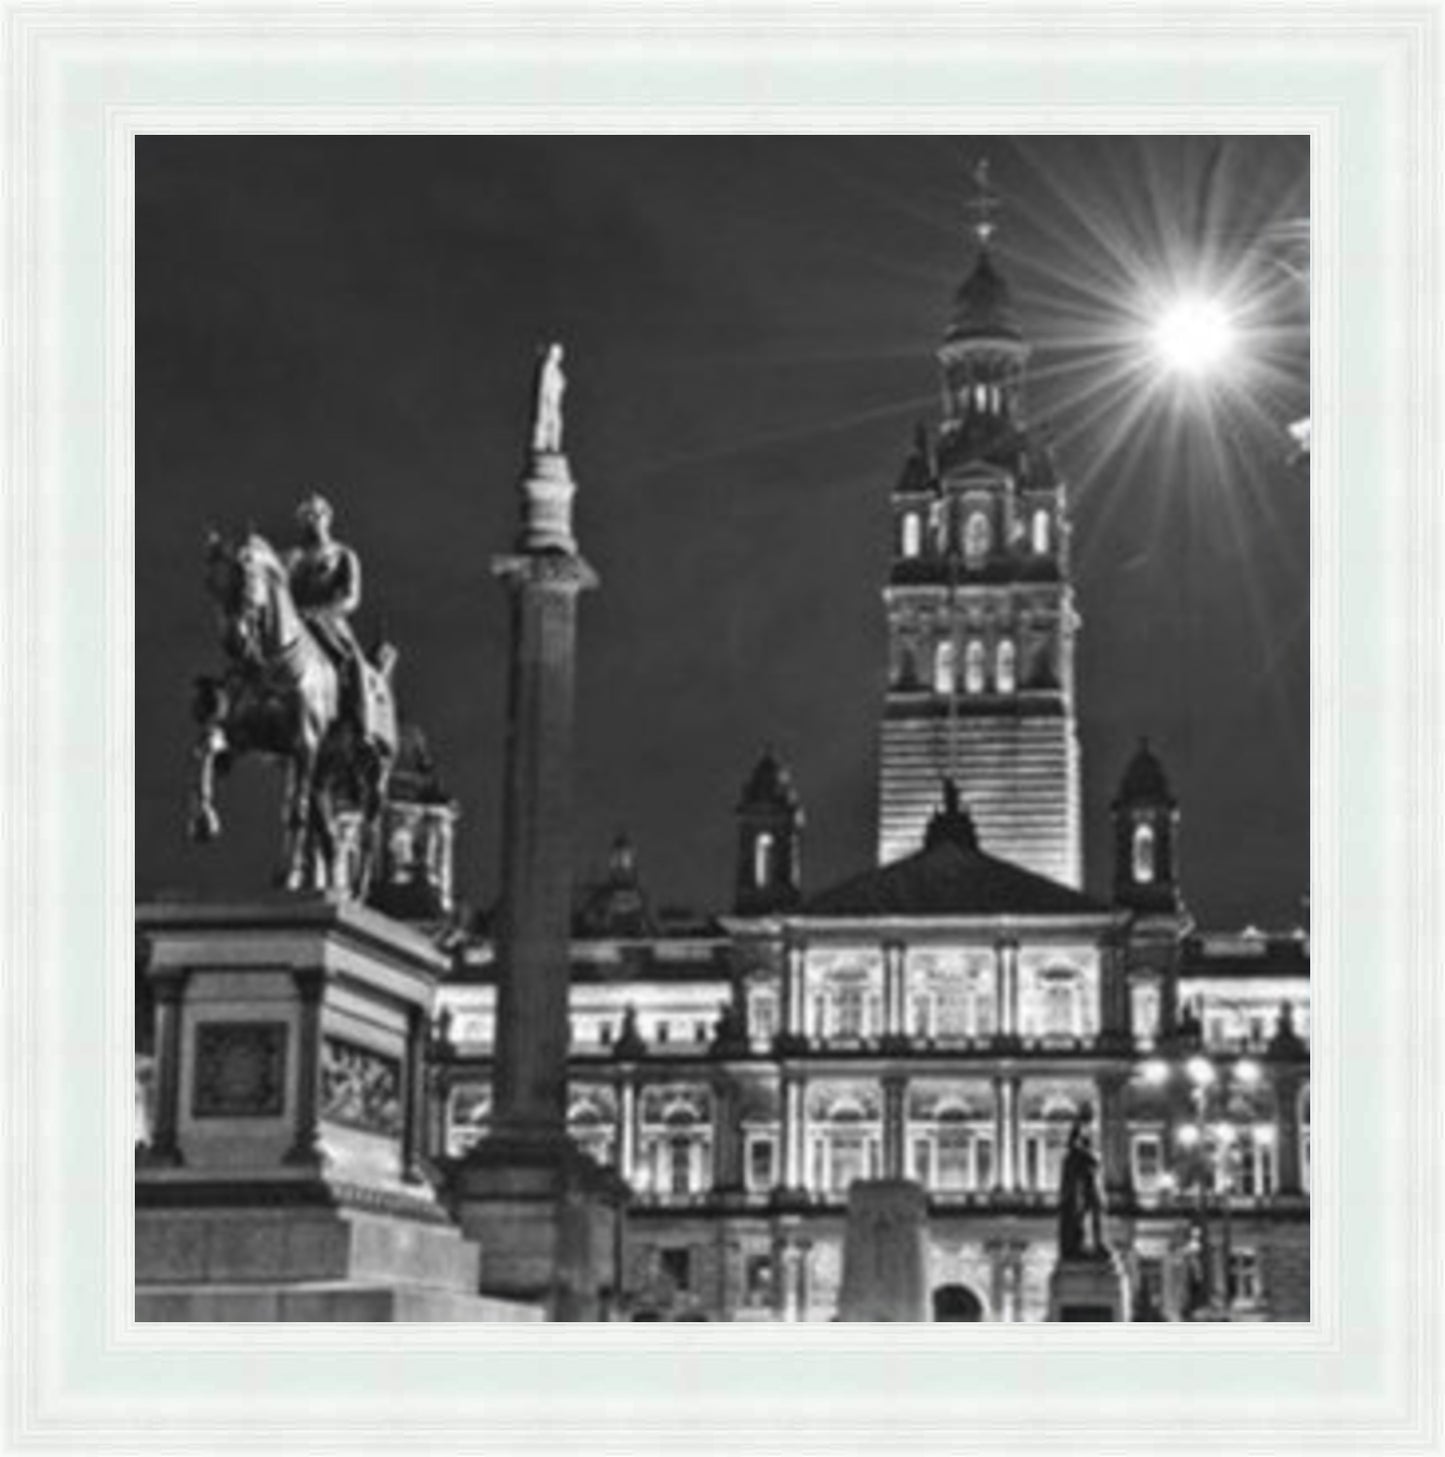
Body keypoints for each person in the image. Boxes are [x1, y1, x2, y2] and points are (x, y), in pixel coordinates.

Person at [285, 493, 367, 732]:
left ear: (328, 517)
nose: (313, 520)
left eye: (317, 514)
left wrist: (319, 613)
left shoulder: (344, 555)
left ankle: (362, 728)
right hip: (295, 625)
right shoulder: (292, 558)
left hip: (330, 624)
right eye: (306, 516)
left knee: (354, 664)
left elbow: (351, 598)